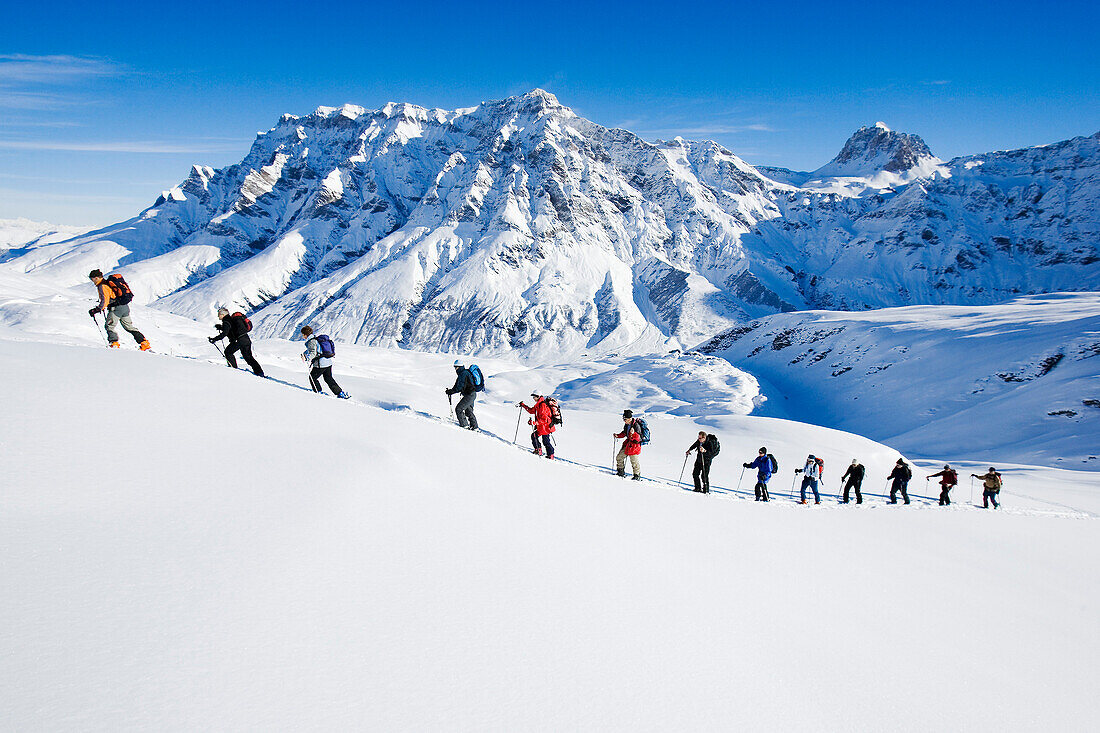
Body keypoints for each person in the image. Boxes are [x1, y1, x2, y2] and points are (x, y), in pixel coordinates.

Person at [87, 270, 150, 350]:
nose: (92, 281)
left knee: (109, 326)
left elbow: (105, 301)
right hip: (124, 307)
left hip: (116, 308)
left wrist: (96, 310)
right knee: (129, 327)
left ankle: (114, 344)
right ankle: (144, 343)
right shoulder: (108, 283)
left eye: (91, 279)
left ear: (96, 278)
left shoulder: (102, 286)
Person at [209, 307, 265, 377]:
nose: (218, 316)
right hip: (245, 338)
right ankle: (259, 372)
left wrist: (214, 339)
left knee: (228, 352)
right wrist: (220, 327)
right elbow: (231, 328)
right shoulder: (231, 320)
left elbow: (225, 333)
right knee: (248, 357)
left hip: (238, 340)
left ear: (223, 315)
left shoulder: (226, 321)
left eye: (219, 315)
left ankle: (233, 370)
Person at [301, 326, 349, 398]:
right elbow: (314, 349)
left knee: (312, 378)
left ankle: (318, 392)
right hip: (328, 362)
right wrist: (305, 353)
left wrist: (306, 358)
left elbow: (313, 353)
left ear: (305, 334)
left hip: (321, 364)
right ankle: (340, 393)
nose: (302, 336)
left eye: (303, 334)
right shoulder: (316, 339)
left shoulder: (311, 341)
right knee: (329, 378)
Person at [445, 360, 479, 431]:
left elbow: (459, 387)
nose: (455, 369)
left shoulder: (463, 374)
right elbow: (457, 385)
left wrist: (451, 391)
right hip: (471, 394)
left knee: (459, 409)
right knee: (468, 411)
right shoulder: (464, 373)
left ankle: (465, 426)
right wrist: (451, 391)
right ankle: (475, 427)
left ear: (459, 367)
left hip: (469, 395)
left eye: (456, 367)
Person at [519, 393, 555, 459]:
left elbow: (544, 420)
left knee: (545, 441)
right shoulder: (538, 405)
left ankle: (549, 454)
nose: (533, 399)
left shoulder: (542, 405)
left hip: (546, 427)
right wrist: (523, 405)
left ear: (538, 396)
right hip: (541, 427)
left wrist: (534, 422)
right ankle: (540, 451)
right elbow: (531, 411)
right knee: (535, 436)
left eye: (534, 397)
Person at [613, 410, 643, 480]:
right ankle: (620, 472)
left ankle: (637, 476)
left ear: (630, 418)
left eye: (625, 419)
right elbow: (624, 433)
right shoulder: (627, 425)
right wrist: (618, 435)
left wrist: (633, 433)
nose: (624, 420)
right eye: (623, 419)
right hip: (628, 444)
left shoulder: (636, 425)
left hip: (634, 446)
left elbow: (639, 438)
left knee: (634, 462)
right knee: (619, 457)